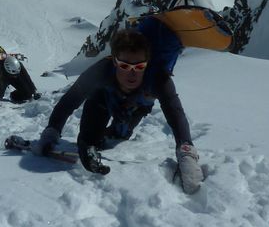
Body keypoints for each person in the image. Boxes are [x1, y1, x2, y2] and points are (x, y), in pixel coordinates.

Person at [32, 20, 204, 193]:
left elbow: (175, 113)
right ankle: (90, 143)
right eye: (124, 65)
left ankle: (111, 134)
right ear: (114, 62)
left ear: (148, 64)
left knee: (120, 135)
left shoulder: (158, 78)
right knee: (93, 117)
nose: (132, 73)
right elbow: (70, 100)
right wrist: (52, 131)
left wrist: (186, 152)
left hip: (136, 107)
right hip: (105, 100)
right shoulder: (101, 70)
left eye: (139, 66)